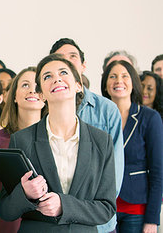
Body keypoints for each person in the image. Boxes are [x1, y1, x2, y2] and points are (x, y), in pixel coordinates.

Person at [0, 53, 116, 232]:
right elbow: (6, 211)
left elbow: (106, 209)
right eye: (48, 76)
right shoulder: (22, 139)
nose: (57, 79)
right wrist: (25, 194)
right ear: (41, 94)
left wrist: (64, 206)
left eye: (63, 73)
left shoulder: (102, 141)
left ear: (78, 86)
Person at [50, 37, 124, 233]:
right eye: (60, 58)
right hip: (57, 219)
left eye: (72, 56)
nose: (67, 61)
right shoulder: (47, 108)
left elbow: (114, 173)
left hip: (99, 220)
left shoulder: (107, 109)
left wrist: (85, 211)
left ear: (83, 65)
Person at [101, 60, 163, 233]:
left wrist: (152, 219)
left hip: (136, 209)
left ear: (133, 83)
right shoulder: (99, 118)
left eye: (124, 76)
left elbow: (158, 172)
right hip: (104, 209)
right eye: (112, 76)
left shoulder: (150, 118)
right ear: (105, 85)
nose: (118, 81)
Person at [0, 67, 45, 233]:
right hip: (9, 226)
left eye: (37, 85)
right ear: (13, 96)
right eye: (25, 85)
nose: (33, 90)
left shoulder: (56, 140)